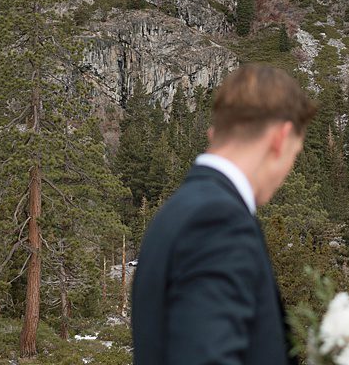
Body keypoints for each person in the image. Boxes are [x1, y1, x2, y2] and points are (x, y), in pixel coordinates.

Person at [132, 64, 317, 365]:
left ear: (215, 134)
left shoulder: (178, 211)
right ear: (280, 138)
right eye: (294, 155)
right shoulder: (217, 221)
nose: (288, 170)